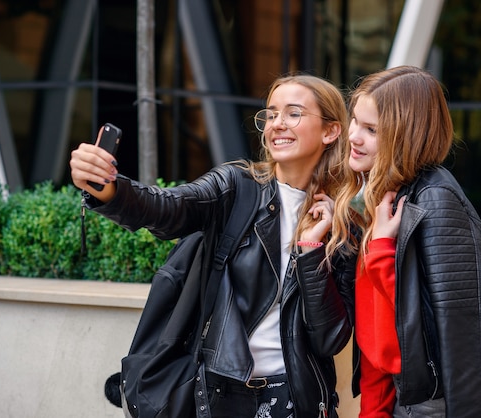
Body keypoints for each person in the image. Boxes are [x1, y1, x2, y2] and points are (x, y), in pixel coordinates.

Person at [69, 74, 357, 418]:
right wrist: (110, 189)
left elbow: (329, 340)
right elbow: (171, 207)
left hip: (296, 397)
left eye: (294, 113)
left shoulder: (344, 228)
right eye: (270, 114)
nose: (277, 124)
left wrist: (311, 249)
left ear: (330, 131)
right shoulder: (238, 188)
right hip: (221, 393)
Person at [330, 65, 481, 417]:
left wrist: (381, 250)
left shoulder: (435, 200)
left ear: (405, 136)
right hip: (401, 398)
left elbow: (460, 334)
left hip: (438, 405)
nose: (353, 136)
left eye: (371, 129)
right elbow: (378, 329)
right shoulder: (380, 199)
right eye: (355, 121)